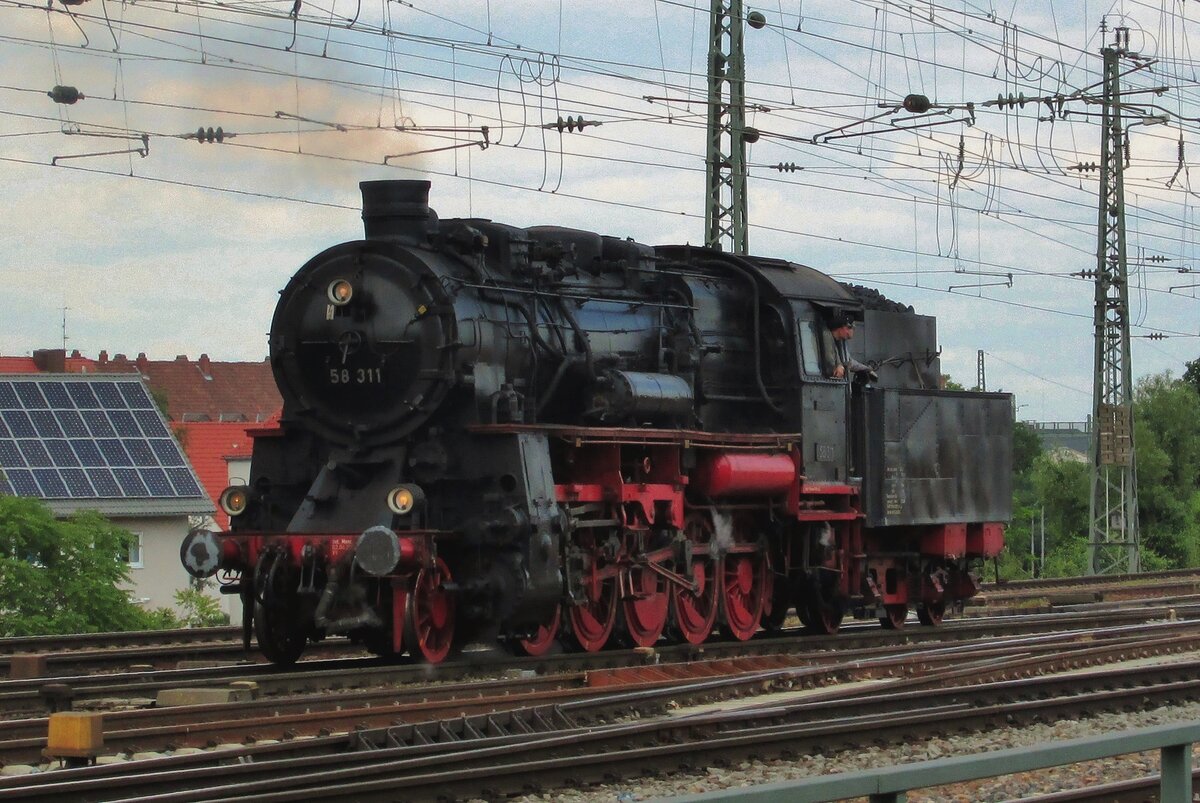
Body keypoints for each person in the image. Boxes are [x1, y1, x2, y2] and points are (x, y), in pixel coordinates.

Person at [828, 313, 878, 382]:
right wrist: (838, 366)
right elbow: (829, 360)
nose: (852, 331)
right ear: (843, 328)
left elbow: (849, 362)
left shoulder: (837, 343)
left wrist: (867, 369)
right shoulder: (827, 340)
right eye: (851, 328)